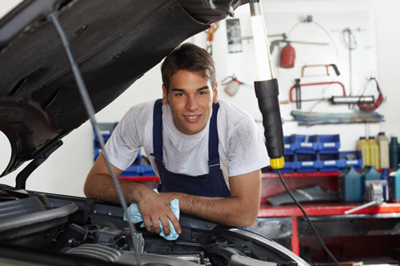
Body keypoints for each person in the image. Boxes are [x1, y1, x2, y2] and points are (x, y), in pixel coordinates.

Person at [84, 43, 269, 236]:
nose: (192, 106)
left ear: (215, 92)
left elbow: (245, 214)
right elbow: (93, 184)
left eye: (201, 92)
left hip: (226, 234)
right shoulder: (141, 119)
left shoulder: (238, 127)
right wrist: (141, 194)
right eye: (180, 94)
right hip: (167, 226)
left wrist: (168, 199)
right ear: (165, 95)